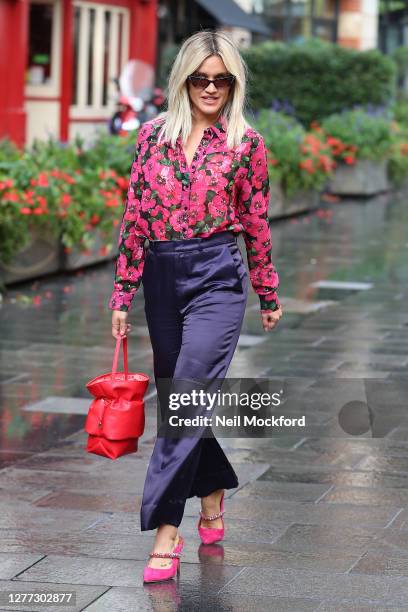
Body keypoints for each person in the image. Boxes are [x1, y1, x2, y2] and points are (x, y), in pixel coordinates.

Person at [109, 29, 283, 583]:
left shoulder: (245, 143)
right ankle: (211, 491)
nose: (212, 88)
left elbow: (255, 221)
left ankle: (166, 531)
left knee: (184, 399)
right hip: (161, 275)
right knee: (184, 400)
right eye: (201, 78)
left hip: (216, 277)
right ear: (183, 79)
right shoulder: (152, 137)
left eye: (223, 79)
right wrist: (123, 292)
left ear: (234, 83)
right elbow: (136, 215)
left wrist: (267, 291)